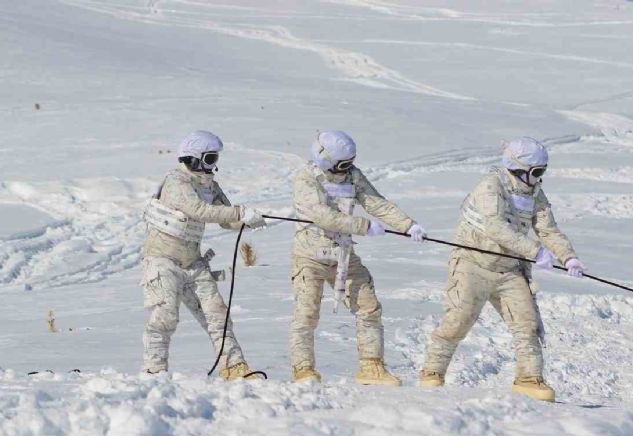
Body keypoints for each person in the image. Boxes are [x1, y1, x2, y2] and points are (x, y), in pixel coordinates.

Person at [419, 137, 585, 402]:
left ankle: (529, 379)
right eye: (537, 172)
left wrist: (568, 257)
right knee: (459, 320)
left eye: (543, 172)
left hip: (509, 269)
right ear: (519, 168)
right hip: (473, 264)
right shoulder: (491, 187)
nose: (540, 178)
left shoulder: (533, 193)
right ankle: (432, 372)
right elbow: (496, 228)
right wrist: (535, 252)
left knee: (526, 324)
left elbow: (547, 228)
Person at [289, 130, 426, 385]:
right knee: (306, 314)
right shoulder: (306, 179)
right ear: (326, 160)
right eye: (342, 164)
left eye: (350, 162)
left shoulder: (352, 175)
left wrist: (408, 225)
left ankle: (371, 367)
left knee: (369, 307)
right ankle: (303, 370)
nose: (347, 169)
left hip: (344, 255)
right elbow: (322, 215)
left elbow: (376, 203)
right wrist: (363, 227)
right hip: (311, 257)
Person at [141, 130, 266, 378]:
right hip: (163, 261)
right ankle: (154, 371)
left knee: (218, 314)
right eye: (209, 159)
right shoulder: (177, 182)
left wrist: (246, 221)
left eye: (215, 159)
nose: (213, 165)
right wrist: (239, 213)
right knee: (165, 317)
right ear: (193, 158)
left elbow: (224, 218)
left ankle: (234, 367)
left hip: (193, 263)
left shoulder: (210, 185)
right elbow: (198, 210)